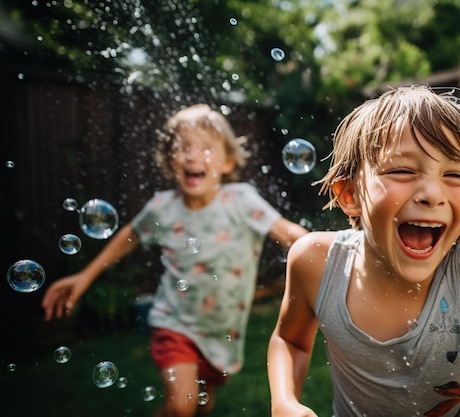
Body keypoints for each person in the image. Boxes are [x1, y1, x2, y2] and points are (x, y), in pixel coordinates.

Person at [267, 85, 460, 417]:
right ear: (349, 194)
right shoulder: (314, 262)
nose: (432, 194)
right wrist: (284, 402)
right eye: (402, 170)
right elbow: (289, 341)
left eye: (454, 174)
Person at [42, 104, 309, 417]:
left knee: (201, 405)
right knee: (182, 407)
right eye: (182, 148)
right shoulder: (163, 209)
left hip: (222, 332)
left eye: (206, 148)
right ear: (170, 160)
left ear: (228, 162)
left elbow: (288, 233)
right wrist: (84, 276)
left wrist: (323, 248)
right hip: (175, 321)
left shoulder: (241, 201)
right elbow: (128, 237)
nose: (193, 156)